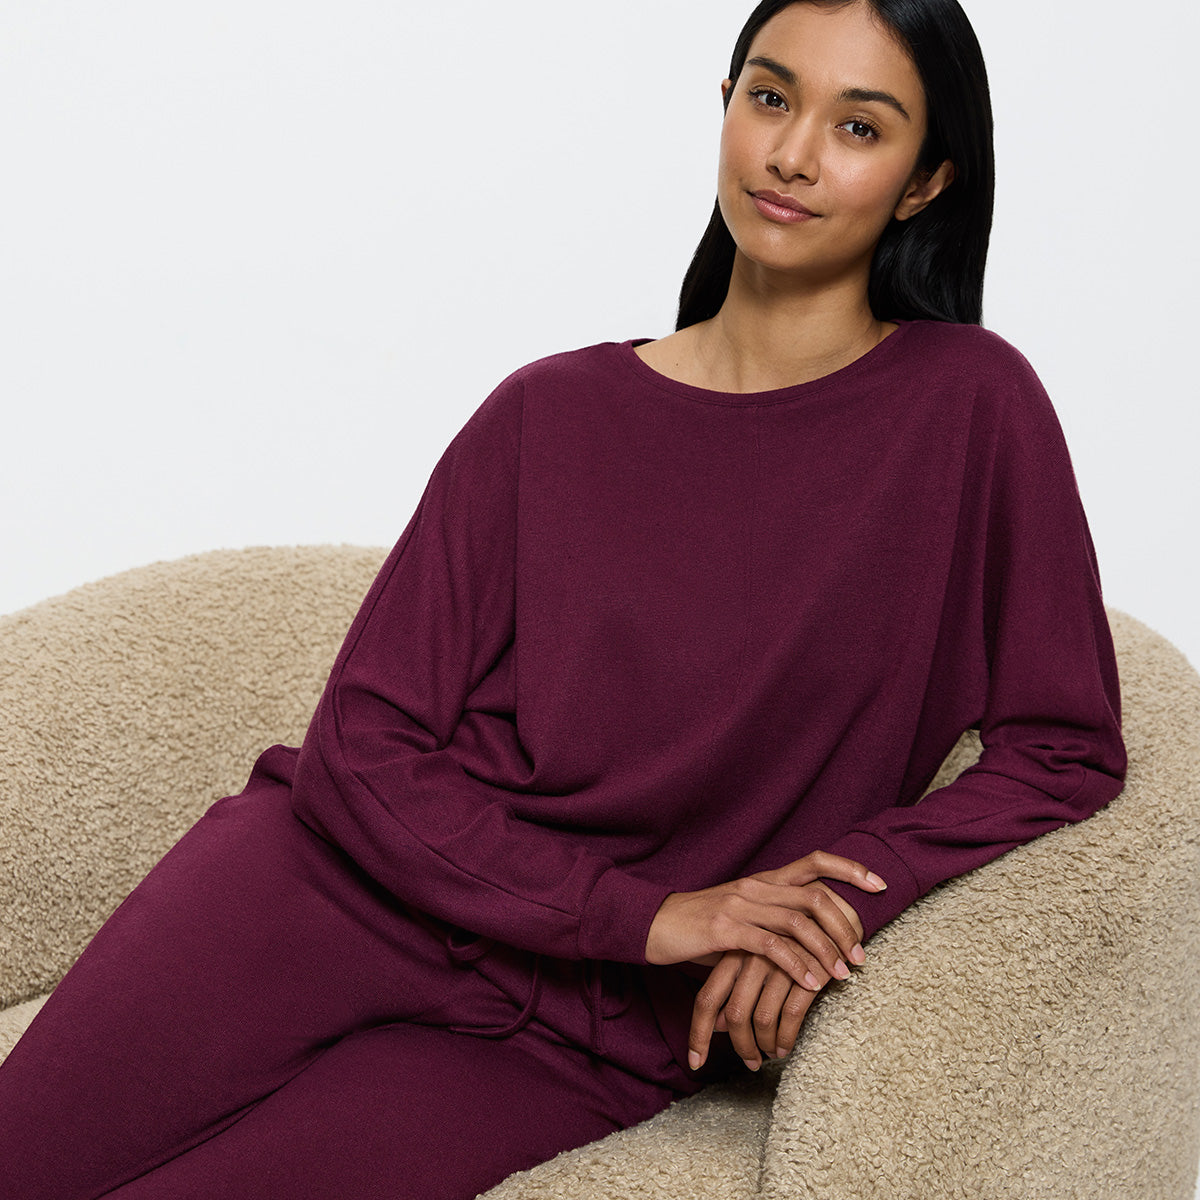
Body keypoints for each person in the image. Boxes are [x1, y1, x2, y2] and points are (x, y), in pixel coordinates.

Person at [0, 0, 1125, 1197]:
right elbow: (365, 747)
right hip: (325, 899)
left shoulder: (970, 407)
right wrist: (653, 917)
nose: (793, 153)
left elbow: (1064, 747)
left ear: (925, 182)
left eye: (859, 126)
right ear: (728, 109)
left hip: (580, 1035)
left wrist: (841, 894)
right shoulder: (549, 411)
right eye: (770, 97)